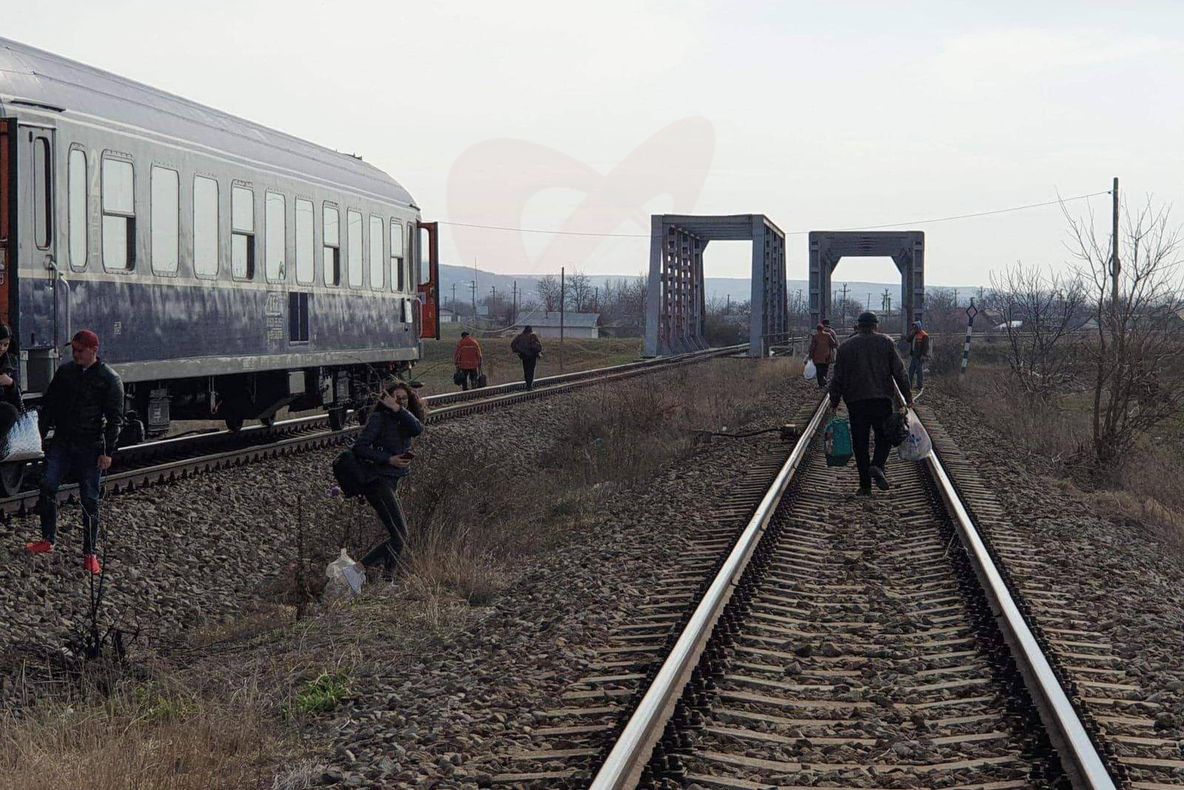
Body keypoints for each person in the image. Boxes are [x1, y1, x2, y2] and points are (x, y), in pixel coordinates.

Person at [26, 330, 124, 574]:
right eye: (74, 351)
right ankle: (48, 539)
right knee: (48, 485)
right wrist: (39, 434)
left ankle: (90, 552)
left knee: (90, 498)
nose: (76, 355)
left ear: (93, 350)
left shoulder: (109, 380)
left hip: (90, 445)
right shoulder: (66, 373)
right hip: (63, 440)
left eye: (80, 351)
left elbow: (115, 419)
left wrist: (107, 451)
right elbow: (50, 404)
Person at [828, 312, 912, 496]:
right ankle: (877, 465)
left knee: (860, 443)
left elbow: (837, 378)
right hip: (881, 400)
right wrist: (907, 396)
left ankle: (865, 485)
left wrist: (834, 400)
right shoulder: (886, 342)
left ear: (858, 326)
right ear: (876, 325)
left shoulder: (846, 347)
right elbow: (900, 372)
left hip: (856, 401)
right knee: (885, 436)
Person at [353, 378, 425, 576]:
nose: (400, 402)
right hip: (377, 481)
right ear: (387, 400)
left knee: (398, 534)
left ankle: (387, 580)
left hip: (390, 481)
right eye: (396, 398)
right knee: (400, 534)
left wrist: (400, 410)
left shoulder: (403, 419)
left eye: (404, 399)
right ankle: (358, 569)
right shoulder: (379, 418)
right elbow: (360, 448)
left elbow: (418, 429)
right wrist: (388, 459)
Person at [0, 324, 23, 447]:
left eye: (5, 345)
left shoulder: (12, 361)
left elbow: (18, 398)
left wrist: (10, 383)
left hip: (5, 410)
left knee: (10, 411)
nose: (2, 348)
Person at [510, 325, 543, 390]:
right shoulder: (533, 336)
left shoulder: (520, 336)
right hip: (532, 356)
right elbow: (539, 347)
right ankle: (529, 385)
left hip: (524, 356)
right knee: (531, 371)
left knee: (526, 370)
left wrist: (518, 351)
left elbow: (513, 344)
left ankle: (528, 384)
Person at [806, 323, 839, 389]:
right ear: (823, 329)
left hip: (817, 357)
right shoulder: (828, 335)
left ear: (817, 329)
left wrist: (810, 355)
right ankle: (824, 381)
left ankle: (820, 384)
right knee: (825, 369)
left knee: (818, 370)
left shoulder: (815, 336)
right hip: (827, 356)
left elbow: (812, 347)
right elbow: (834, 344)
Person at [905, 321, 931, 391]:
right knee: (911, 371)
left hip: (919, 356)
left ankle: (920, 386)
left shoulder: (924, 335)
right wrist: (911, 333)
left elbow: (926, 347)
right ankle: (909, 385)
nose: (914, 328)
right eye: (913, 327)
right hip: (913, 355)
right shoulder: (914, 334)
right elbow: (908, 340)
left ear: (918, 327)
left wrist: (923, 355)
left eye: (915, 327)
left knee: (919, 371)